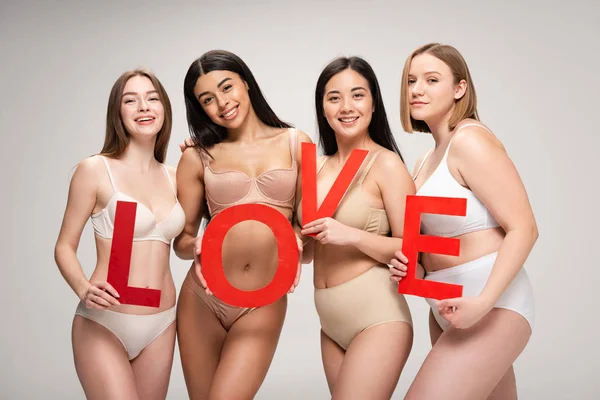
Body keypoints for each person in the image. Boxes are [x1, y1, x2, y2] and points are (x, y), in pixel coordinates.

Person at [389, 43, 537, 400]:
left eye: (431, 79)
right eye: (411, 80)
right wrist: (413, 271)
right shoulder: (425, 159)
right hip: (446, 308)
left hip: (490, 306)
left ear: (460, 88)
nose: (416, 90)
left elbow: (524, 228)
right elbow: (432, 247)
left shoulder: (470, 140)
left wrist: (484, 303)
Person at [173, 49, 311, 399]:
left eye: (227, 87)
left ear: (246, 83)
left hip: (261, 301)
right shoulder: (197, 155)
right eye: (208, 99)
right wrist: (197, 244)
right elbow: (182, 240)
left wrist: (296, 239)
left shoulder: (298, 143)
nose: (222, 103)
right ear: (200, 108)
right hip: (202, 299)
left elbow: (308, 230)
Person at [54, 69, 184, 400]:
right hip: (105, 322)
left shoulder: (176, 176)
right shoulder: (96, 170)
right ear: (118, 112)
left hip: (163, 324)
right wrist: (83, 287)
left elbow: (187, 243)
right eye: (131, 100)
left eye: (152, 98)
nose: (143, 106)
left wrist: (201, 157)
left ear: (164, 109)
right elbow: (64, 247)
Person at [299, 56, 414, 400]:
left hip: (377, 316)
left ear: (374, 104)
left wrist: (352, 235)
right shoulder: (313, 169)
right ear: (322, 107)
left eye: (357, 95)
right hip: (330, 324)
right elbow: (306, 250)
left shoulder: (387, 165)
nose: (346, 107)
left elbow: (413, 248)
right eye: (334, 97)